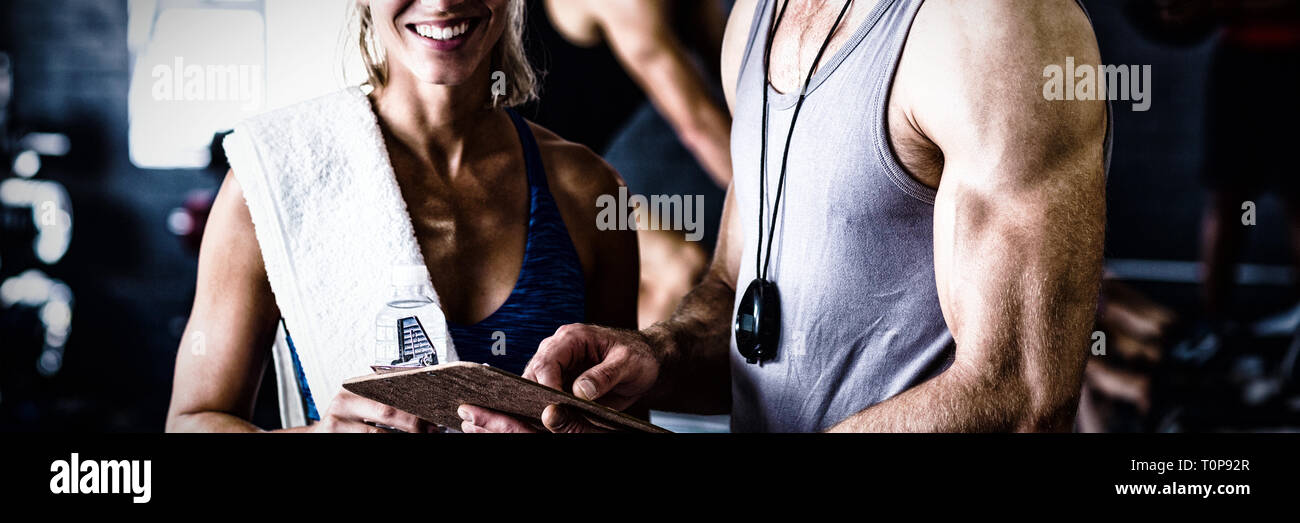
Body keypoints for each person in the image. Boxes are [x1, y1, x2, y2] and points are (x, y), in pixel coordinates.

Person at [460, 0, 1110, 433]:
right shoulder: (756, 19)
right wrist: (655, 355)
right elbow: (733, 298)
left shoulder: (994, 26)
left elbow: (1020, 396)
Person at [165, 0, 637, 433]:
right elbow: (190, 422)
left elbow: (625, 419)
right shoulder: (273, 178)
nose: (443, 2)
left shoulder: (587, 190)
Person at [540, 0, 735, 327]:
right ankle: (595, 377)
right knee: (677, 267)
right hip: (535, 180)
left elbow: (728, 78)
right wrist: (785, 210)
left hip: (582, 171)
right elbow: (698, 126)